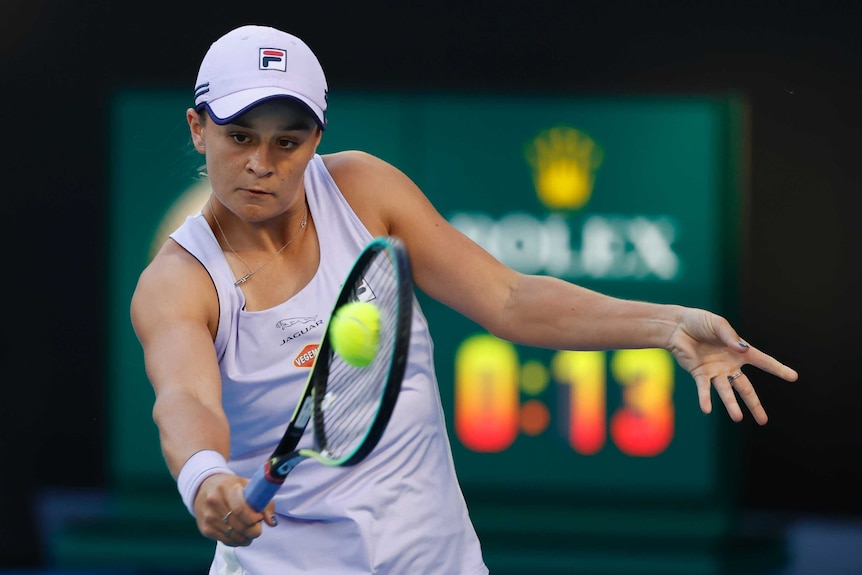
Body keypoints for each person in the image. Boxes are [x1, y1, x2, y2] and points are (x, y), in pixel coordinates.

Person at [130, 24, 798, 575]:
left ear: (316, 140)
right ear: (198, 128)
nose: (261, 163)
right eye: (239, 135)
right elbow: (184, 398)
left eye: (287, 140)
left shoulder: (366, 191)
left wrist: (667, 322)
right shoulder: (179, 281)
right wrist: (206, 478)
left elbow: (508, 298)